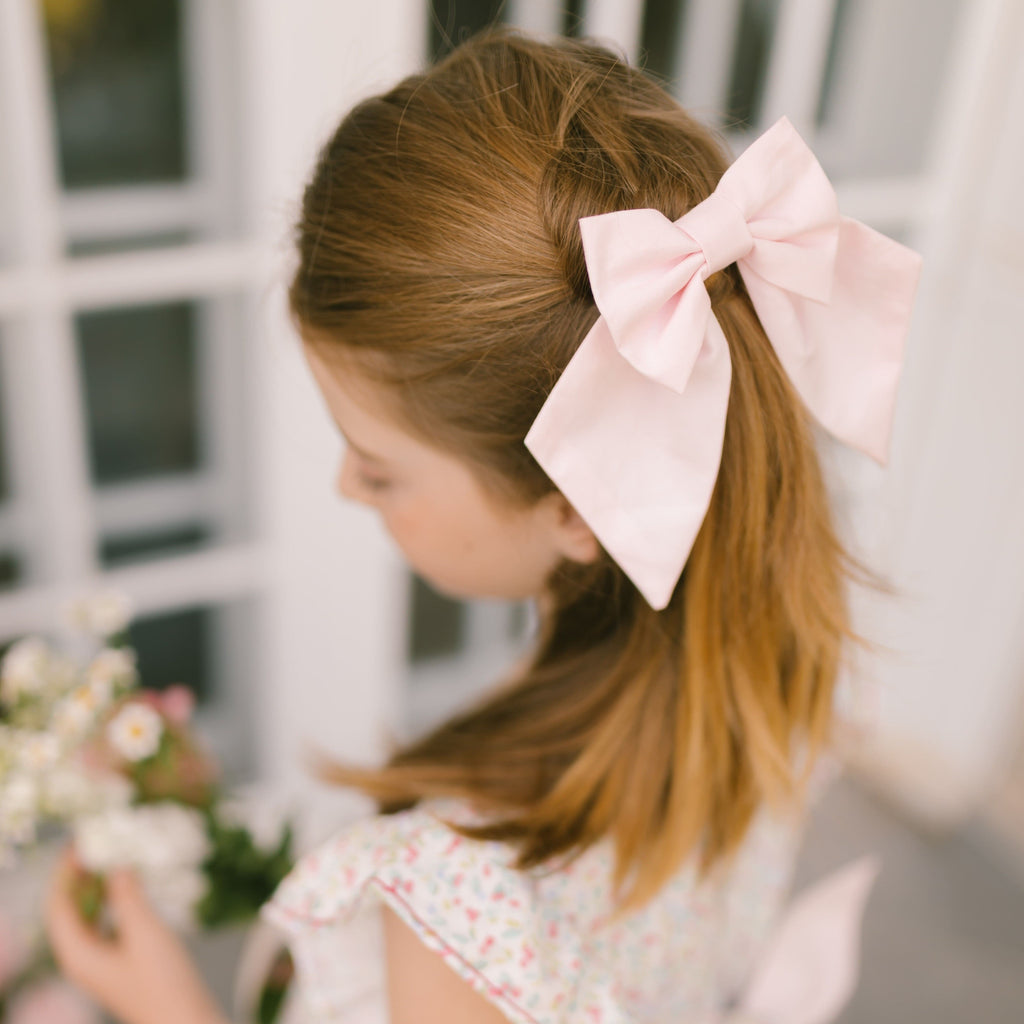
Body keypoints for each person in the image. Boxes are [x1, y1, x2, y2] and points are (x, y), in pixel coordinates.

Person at [44, 29, 920, 1024]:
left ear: (573, 507)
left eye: (377, 466)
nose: (342, 484)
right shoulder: (777, 663)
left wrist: (168, 1008)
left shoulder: (454, 906)